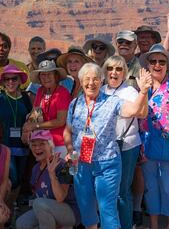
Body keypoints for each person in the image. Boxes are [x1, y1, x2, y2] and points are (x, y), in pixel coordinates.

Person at [64, 63, 151, 229]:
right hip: (80, 163)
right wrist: (70, 151)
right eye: (87, 79)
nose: (91, 83)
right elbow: (67, 131)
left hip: (107, 163)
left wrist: (143, 91)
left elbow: (135, 110)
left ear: (101, 80)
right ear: (81, 81)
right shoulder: (75, 104)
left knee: (107, 209)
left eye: (95, 79)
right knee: (86, 207)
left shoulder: (113, 101)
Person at [140, 44, 169, 229]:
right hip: (146, 145)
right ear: (148, 64)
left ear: (167, 65)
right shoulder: (142, 87)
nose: (157, 65)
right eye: (153, 61)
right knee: (151, 187)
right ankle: (154, 224)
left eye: (161, 61)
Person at [101, 55, 143, 229]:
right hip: (104, 148)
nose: (114, 72)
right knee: (107, 190)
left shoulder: (131, 92)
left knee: (122, 190)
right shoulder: (101, 90)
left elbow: (140, 113)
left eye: (118, 69)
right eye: (110, 69)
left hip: (126, 146)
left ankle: (125, 225)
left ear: (124, 73)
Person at [16, 130, 80, 229]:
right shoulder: (35, 168)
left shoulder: (64, 166)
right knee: (21, 223)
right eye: (33, 145)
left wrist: (52, 174)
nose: (37, 148)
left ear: (50, 146)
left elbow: (60, 197)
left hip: (69, 212)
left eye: (42, 144)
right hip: (45, 210)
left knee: (39, 204)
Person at [0, 65, 32, 189]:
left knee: (20, 177)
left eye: (14, 78)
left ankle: (15, 202)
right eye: (7, 79)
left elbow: (31, 119)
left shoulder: (26, 99)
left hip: (23, 145)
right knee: (10, 178)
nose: (10, 82)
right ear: (2, 82)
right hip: (4, 145)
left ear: (19, 81)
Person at [25, 60, 71, 156]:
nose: (46, 78)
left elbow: (60, 121)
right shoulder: (40, 91)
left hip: (59, 143)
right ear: (39, 77)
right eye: (43, 75)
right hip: (42, 143)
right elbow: (36, 113)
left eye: (49, 74)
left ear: (56, 76)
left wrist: (36, 126)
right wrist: (27, 128)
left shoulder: (62, 93)